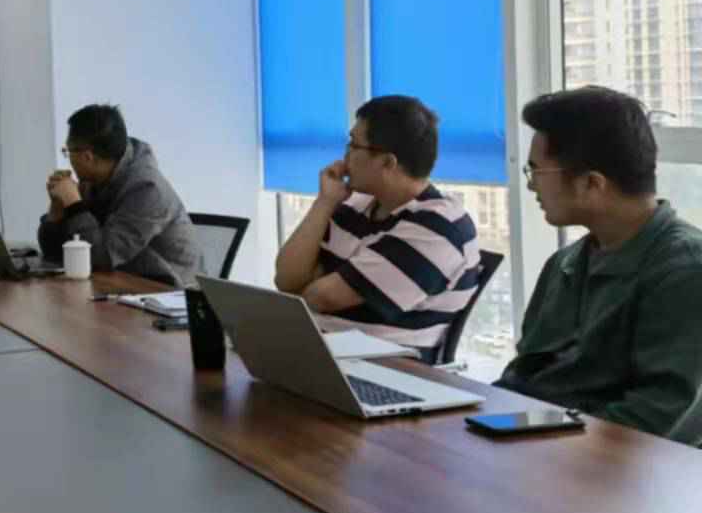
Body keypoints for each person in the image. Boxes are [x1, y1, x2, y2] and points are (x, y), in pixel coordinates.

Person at [497, 87, 702, 441]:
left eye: (537, 172)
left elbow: (657, 414)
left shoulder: (685, 269)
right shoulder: (564, 264)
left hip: (610, 464)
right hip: (540, 445)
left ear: (592, 183)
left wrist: (541, 445)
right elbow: (523, 377)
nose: (531, 187)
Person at [274, 96, 482, 350]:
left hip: (386, 364)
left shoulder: (439, 227)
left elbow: (322, 298)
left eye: (354, 145)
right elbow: (287, 280)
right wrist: (325, 202)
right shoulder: (355, 206)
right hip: (321, 348)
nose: (345, 155)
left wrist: (312, 282)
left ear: (387, 162)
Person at [38, 104, 200, 287]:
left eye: (68, 152)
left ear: (87, 157)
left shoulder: (147, 189)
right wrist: (57, 211)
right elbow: (55, 253)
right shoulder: (92, 181)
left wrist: (74, 205)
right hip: (121, 283)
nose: (68, 158)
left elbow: (101, 257)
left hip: (168, 291)